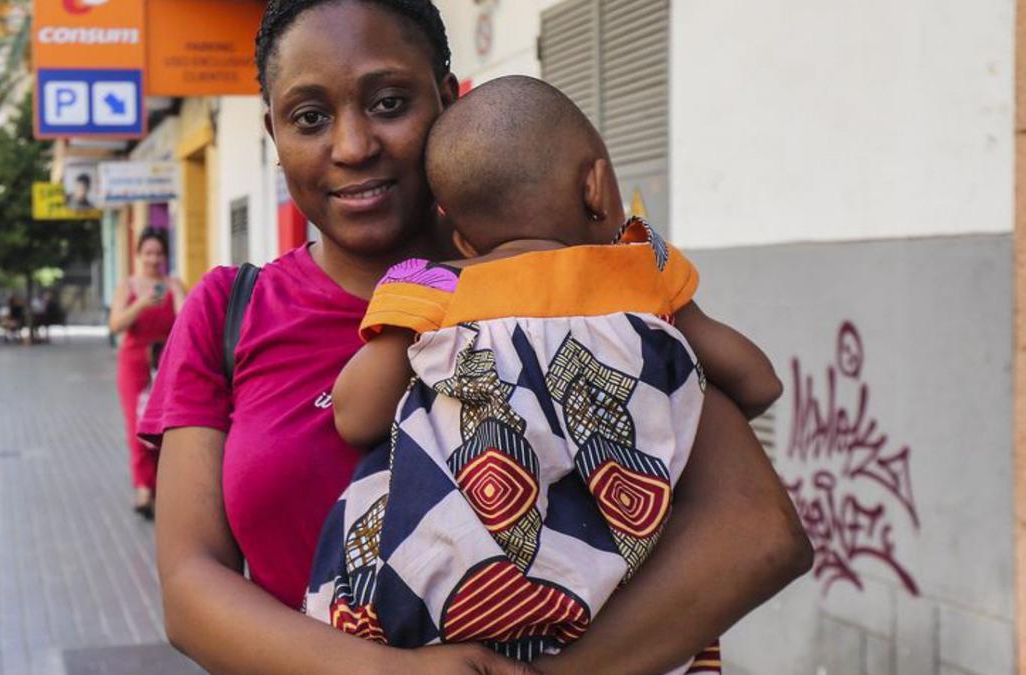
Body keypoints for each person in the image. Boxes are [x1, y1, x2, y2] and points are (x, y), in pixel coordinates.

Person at [141, 2, 811, 674]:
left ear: (447, 95)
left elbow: (758, 533)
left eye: (389, 102)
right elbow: (190, 588)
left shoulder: (573, 280)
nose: (351, 146)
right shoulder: (228, 311)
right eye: (309, 117)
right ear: (273, 133)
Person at [309, 76, 783, 668]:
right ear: (598, 187)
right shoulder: (637, 274)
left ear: (461, 236)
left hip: (453, 614)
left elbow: (354, 416)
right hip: (619, 620)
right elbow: (760, 382)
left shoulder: (431, 284)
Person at [110, 227, 185, 519]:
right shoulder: (126, 286)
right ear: (139, 255)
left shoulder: (173, 284)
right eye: (148, 253)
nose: (153, 259)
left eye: (158, 253)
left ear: (165, 256)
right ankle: (143, 487)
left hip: (165, 363)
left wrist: (177, 293)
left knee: (163, 425)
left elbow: (186, 322)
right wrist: (141, 303)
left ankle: (162, 487)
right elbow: (115, 325)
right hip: (133, 363)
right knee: (136, 425)